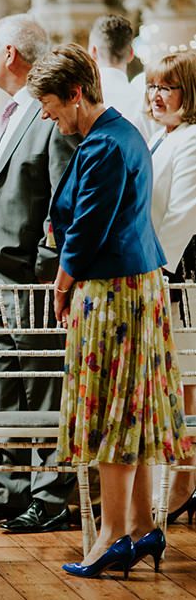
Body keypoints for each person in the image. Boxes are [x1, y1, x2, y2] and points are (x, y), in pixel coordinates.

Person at [27, 42, 191, 578]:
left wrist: (60, 283)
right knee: (133, 412)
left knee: (114, 414)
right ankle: (142, 528)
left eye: (52, 106)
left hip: (113, 292)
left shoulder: (105, 144)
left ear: (76, 93)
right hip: (131, 286)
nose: (49, 118)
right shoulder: (120, 133)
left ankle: (111, 535)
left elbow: (88, 228)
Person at [0, 14, 78, 533]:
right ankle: (9, 488)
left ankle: (50, 496)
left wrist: (46, 269)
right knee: (5, 380)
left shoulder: (46, 115)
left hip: (30, 274)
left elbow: (62, 199)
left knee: (43, 383)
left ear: (8, 54)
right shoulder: (12, 112)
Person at [146, 51, 196, 521]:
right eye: (153, 87)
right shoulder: (166, 137)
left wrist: (149, 268)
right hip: (163, 271)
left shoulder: (194, 140)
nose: (156, 96)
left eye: (167, 88)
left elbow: (182, 216)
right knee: (178, 380)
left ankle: (184, 484)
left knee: (188, 380)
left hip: (180, 278)